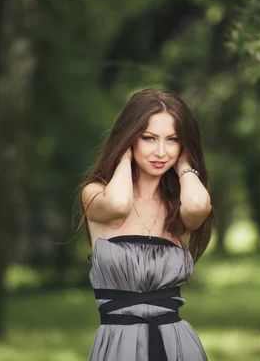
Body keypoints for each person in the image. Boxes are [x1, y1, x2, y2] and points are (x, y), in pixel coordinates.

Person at [77, 88, 213, 361]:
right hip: (118, 346)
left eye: (172, 140)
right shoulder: (94, 194)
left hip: (177, 346)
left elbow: (200, 207)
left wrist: (185, 164)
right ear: (130, 138)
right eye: (149, 138)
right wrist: (124, 158)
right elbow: (118, 205)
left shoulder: (180, 205)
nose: (161, 151)